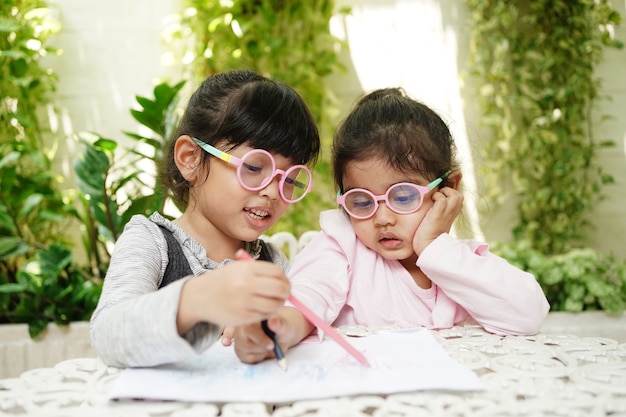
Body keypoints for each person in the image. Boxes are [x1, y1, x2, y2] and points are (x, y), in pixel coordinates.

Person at [232, 87, 550, 365]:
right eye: (361, 201)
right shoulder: (342, 247)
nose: (383, 217)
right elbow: (308, 295)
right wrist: (277, 325)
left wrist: (433, 246)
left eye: (403, 196)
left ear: (448, 188)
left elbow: (527, 313)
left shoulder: (458, 261)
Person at [89, 69, 320, 368]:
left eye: (289, 179)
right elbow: (109, 335)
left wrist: (271, 332)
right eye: (253, 167)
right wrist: (197, 300)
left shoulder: (272, 262)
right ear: (190, 158)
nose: (274, 192)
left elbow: (295, 335)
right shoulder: (151, 241)